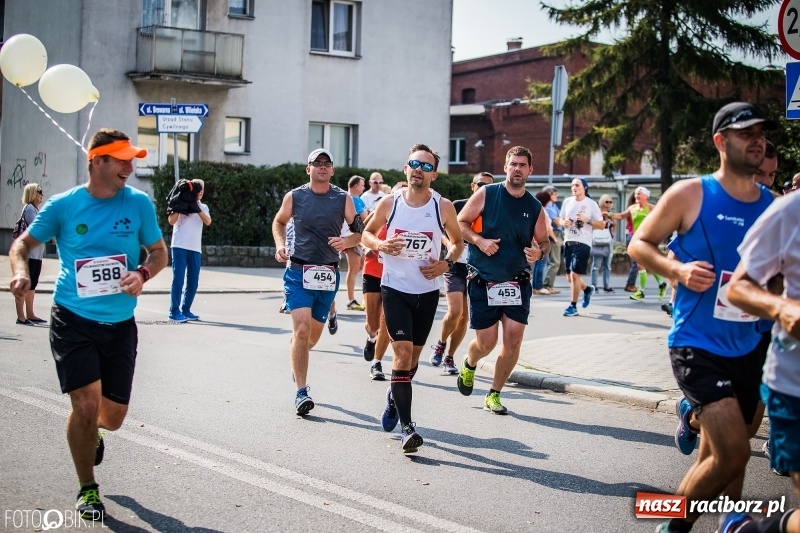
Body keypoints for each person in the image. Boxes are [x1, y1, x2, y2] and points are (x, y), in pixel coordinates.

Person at [628, 102, 776, 533]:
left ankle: (727, 520)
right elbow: (640, 244)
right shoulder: (691, 194)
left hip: (750, 342)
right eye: (746, 133)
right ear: (720, 141)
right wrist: (677, 270)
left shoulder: (773, 205)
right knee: (734, 452)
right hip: (696, 343)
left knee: (724, 449)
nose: (757, 140)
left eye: (761, 133)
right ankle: (670, 525)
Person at [9, 129, 167, 520]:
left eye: (133, 160)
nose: (130, 168)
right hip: (73, 319)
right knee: (85, 405)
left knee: (111, 418)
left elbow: (160, 251)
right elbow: (22, 245)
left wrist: (144, 273)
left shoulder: (139, 204)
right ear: (97, 161)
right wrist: (19, 272)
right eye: (122, 160)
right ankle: (88, 488)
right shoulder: (64, 206)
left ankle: (93, 432)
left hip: (120, 323)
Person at [362, 144, 461, 452]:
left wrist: (446, 263)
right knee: (402, 355)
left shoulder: (441, 206)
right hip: (394, 289)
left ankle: (394, 396)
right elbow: (366, 234)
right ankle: (408, 429)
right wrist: (380, 245)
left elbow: (457, 243)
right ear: (405, 168)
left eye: (426, 166)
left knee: (412, 361)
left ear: (434, 174)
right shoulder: (391, 203)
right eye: (414, 164)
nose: (418, 169)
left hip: (427, 292)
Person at [720, 193, 800, 533]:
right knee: (737, 436)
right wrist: (782, 308)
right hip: (794, 384)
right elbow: (738, 287)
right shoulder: (789, 211)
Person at [456, 146, 549, 414]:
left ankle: (494, 393)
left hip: (517, 282)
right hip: (484, 279)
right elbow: (461, 223)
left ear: (530, 170)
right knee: (486, 343)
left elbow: (544, 241)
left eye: (522, 165)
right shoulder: (487, 193)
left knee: (513, 340)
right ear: (505, 167)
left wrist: (539, 251)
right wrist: (479, 240)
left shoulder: (534, 206)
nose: (517, 169)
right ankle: (470, 362)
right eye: (513, 164)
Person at [272, 148, 361, 416]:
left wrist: (346, 242)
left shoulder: (343, 198)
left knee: (311, 337)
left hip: (328, 273)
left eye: (327, 163)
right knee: (300, 329)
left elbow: (360, 232)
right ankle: (301, 391)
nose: (322, 167)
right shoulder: (295, 196)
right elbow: (279, 221)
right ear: (308, 169)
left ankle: (296, 357)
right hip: (298, 271)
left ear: (332, 170)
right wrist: (279, 245)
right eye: (316, 163)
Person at [430, 172, 494, 374]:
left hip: (477, 270)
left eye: (490, 187)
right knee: (455, 312)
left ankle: (450, 357)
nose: (485, 189)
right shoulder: (458, 205)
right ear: (473, 186)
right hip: (454, 266)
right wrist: (451, 247)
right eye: (481, 184)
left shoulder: (494, 210)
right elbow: (440, 231)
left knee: (465, 319)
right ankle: (440, 344)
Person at [611, 186, 667, 301]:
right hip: (637, 239)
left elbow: (663, 215)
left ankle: (642, 291)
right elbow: (621, 216)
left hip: (648, 239)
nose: (636, 196)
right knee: (643, 264)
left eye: (639, 194)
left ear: (646, 196)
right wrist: (609, 214)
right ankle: (660, 284)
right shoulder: (632, 208)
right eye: (636, 194)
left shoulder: (651, 208)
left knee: (642, 264)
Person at [559, 178, 604, 317]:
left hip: (583, 242)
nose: (574, 187)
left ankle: (573, 306)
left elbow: (602, 225)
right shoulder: (567, 201)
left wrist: (587, 220)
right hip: (568, 242)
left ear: (584, 188)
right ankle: (587, 290)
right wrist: (564, 222)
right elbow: (558, 219)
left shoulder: (591, 204)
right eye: (572, 185)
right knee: (570, 278)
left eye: (577, 185)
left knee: (574, 274)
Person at [168, 179, 211, 322]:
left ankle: (186, 310)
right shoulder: (181, 202)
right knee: (178, 279)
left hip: (195, 248)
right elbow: (171, 221)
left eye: (202, 190)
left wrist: (196, 208)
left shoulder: (203, 207)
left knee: (193, 281)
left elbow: (208, 221)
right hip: (179, 245)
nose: (200, 193)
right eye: (198, 190)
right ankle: (174, 311)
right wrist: (181, 206)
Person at [13, 183, 47, 325]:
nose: (41, 195)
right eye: (39, 192)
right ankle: (21, 317)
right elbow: (37, 229)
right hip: (28, 254)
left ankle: (30, 314)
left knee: (32, 285)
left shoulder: (35, 210)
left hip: (36, 255)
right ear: (32, 193)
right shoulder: (29, 209)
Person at [342, 175, 368, 311]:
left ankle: (363, 298)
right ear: (356, 186)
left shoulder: (357, 199)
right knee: (354, 269)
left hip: (358, 238)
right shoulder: (352, 199)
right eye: (363, 185)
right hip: (354, 238)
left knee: (362, 267)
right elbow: (365, 218)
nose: (364, 187)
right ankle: (351, 300)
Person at [590, 194, 616, 292]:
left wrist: (612, 233)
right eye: (607, 201)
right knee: (596, 264)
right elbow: (594, 224)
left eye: (610, 202)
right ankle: (594, 285)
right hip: (598, 240)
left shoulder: (610, 214)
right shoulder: (596, 212)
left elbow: (614, 224)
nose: (609, 204)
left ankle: (606, 285)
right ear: (602, 202)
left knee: (607, 265)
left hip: (608, 240)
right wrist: (604, 220)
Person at [540, 185, 563, 295]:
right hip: (553, 234)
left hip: (558, 233)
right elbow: (555, 221)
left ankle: (549, 285)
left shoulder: (553, 206)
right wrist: (554, 238)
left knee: (554, 261)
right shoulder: (547, 207)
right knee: (555, 261)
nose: (556, 195)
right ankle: (547, 285)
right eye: (554, 194)